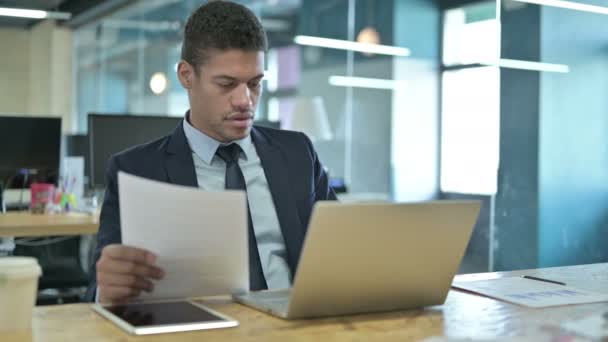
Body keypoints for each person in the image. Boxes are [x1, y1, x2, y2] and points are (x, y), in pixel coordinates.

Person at [86, 0, 336, 303]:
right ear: (186, 76)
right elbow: (101, 290)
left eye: (255, 84)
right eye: (227, 84)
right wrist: (107, 288)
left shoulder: (298, 153)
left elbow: (341, 250)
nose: (245, 100)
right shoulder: (135, 170)